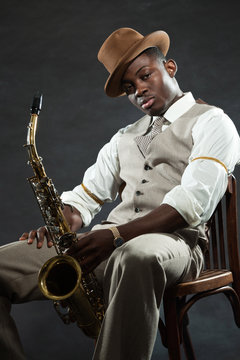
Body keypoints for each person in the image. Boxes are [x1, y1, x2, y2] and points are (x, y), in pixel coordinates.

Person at [0, 27, 240, 360]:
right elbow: (85, 198)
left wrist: (115, 236)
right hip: (110, 243)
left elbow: (192, 204)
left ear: (169, 68)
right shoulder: (123, 137)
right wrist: (62, 221)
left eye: (145, 76)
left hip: (176, 244)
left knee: (136, 255)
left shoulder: (213, 122)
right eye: (130, 88)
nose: (139, 90)